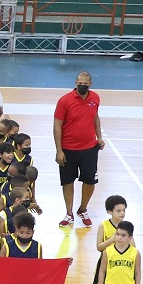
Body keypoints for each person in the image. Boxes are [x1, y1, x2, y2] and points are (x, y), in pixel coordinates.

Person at [53, 71, 104, 229]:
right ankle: (69, 213)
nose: (82, 86)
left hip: (90, 148)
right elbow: (57, 125)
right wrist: (59, 150)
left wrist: (99, 137)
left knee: (90, 180)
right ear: (76, 83)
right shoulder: (65, 101)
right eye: (80, 83)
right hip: (68, 149)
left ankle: (82, 209)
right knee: (68, 181)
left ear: (90, 84)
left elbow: (95, 117)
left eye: (85, 84)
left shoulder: (95, 98)